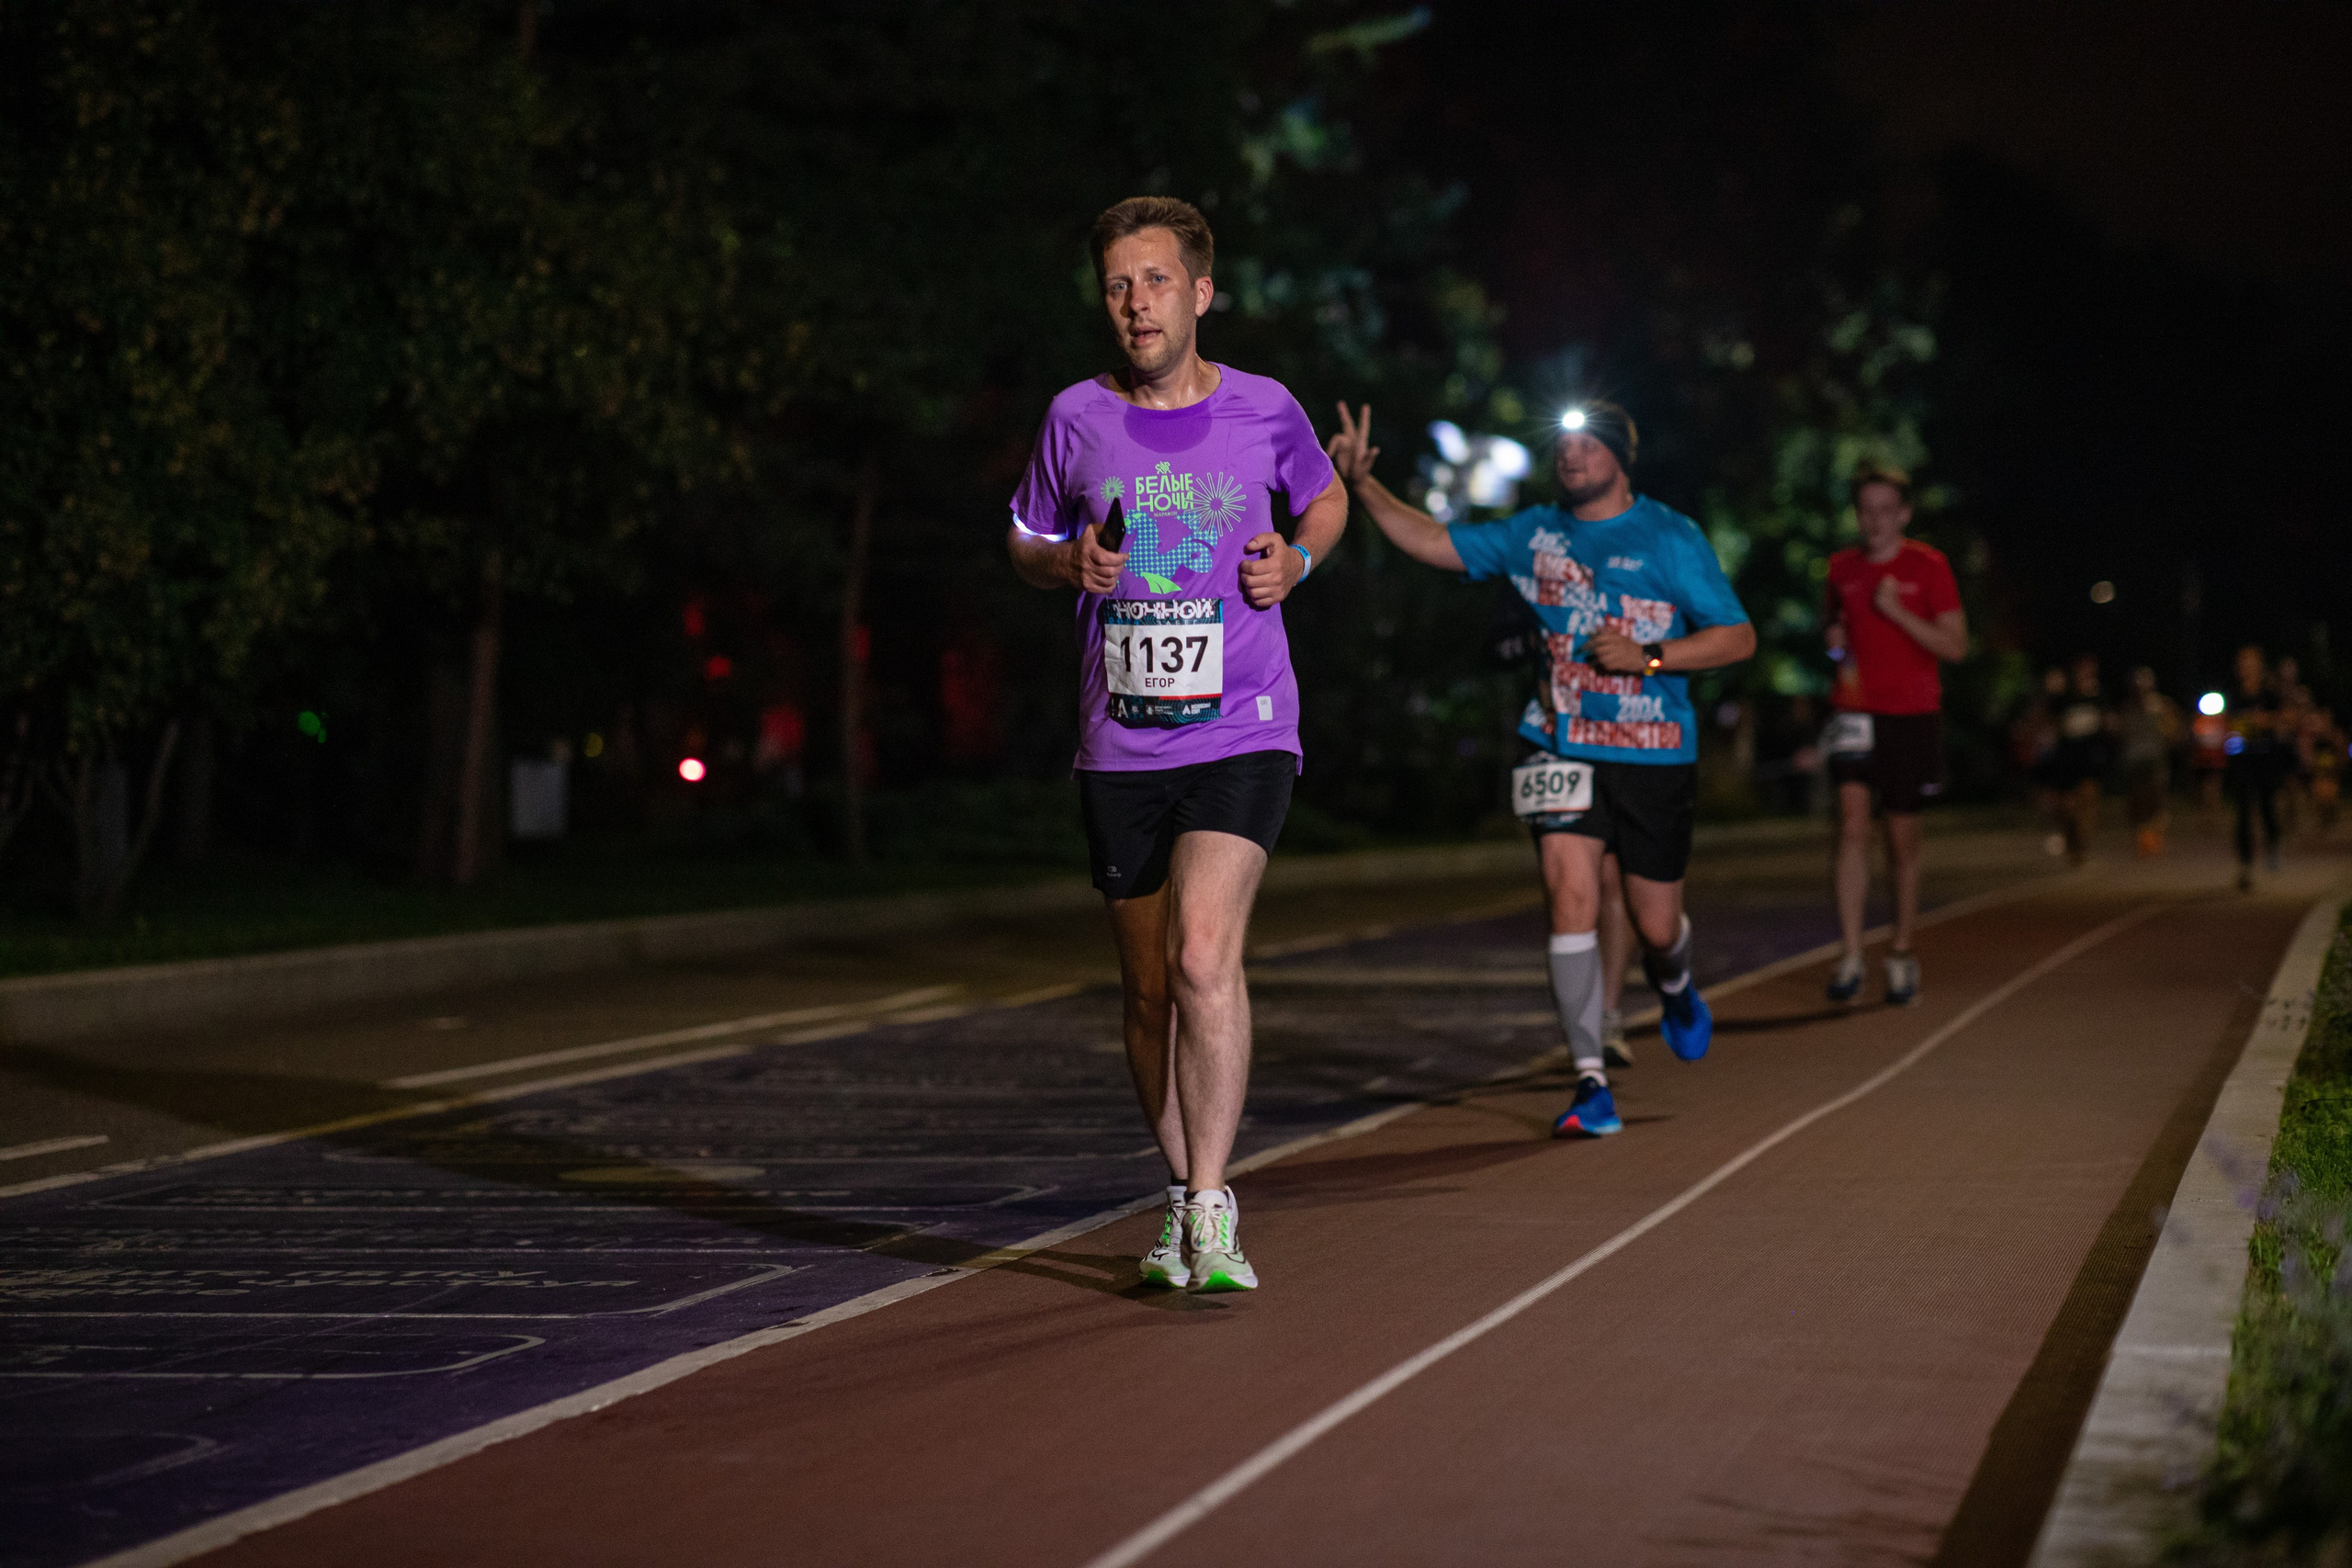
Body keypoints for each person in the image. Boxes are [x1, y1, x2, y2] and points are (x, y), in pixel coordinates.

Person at [1005, 197, 1346, 1292]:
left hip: (1243, 728)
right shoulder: (1076, 417)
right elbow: (1024, 535)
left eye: (1155, 281)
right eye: (1116, 284)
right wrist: (1065, 568)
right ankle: (1177, 1197)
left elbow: (1326, 502)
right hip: (1120, 743)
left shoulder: (1264, 409)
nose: (1135, 303)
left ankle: (1211, 1207)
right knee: (1149, 990)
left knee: (1206, 957)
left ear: (1200, 293)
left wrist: (1294, 562)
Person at [1326, 399, 1755, 1137]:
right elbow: (1431, 540)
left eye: (1589, 442)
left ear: (1621, 455)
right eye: (1564, 443)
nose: (1572, 454)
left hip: (1653, 750)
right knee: (1570, 899)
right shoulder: (1534, 533)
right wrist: (1364, 487)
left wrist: (1651, 657)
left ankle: (1676, 982)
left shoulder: (1670, 535)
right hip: (1557, 741)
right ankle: (1590, 1079)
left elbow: (1738, 637)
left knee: (1656, 922)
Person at [1819, 464, 1967, 1005]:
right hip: (1855, 713)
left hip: (1910, 715)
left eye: (1887, 509)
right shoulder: (1841, 569)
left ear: (1903, 513)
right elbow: (1835, 640)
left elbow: (1955, 647)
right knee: (1852, 826)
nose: (1875, 520)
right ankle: (1852, 953)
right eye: (1866, 509)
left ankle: (1902, 949)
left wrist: (1898, 612)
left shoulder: (1928, 567)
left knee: (1900, 840)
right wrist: (1833, 642)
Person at [2223, 645, 2288, 890]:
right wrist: (2236, 726)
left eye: (2251, 662)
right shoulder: (2233, 694)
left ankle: (2273, 848)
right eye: (2242, 662)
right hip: (2242, 758)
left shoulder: (2269, 693)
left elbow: (2286, 716)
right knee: (2242, 813)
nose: (2246, 667)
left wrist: (2265, 720)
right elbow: (2225, 722)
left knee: (2267, 807)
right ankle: (2245, 865)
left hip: (2266, 758)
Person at [2044, 654, 2114, 866]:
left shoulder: (2099, 696)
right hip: (2067, 757)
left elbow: (2109, 724)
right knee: (2066, 808)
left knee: (2087, 801)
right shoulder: (2064, 696)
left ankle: (2081, 847)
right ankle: (2072, 840)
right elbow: (2050, 721)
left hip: (2090, 756)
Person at [2117, 666, 2184, 857]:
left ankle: (2154, 838)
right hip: (2133, 761)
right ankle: (2141, 840)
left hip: (2155, 760)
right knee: (2136, 803)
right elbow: (2120, 735)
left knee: (2157, 799)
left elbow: (2174, 731)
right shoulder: (2127, 708)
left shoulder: (2162, 705)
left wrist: (2169, 728)